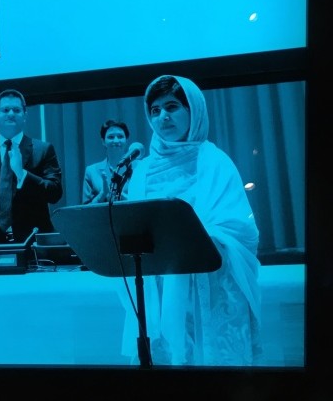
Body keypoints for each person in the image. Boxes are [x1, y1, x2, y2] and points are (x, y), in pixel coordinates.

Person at [123, 74, 262, 366]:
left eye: (172, 107)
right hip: (158, 284)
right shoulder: (143, 169)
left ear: (193, 110)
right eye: (155, 110)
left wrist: (193, 239)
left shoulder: (215, 161)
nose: (163, 116)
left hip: (207, 285)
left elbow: (241, 230)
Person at [0, 89, 63, 244]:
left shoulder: (43, 149)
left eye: (16, 110)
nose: (11, 114)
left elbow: (55, 193)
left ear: (25, 115)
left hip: (33, 242)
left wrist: (22, 174)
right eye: (5, 110)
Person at [82, 119, 134, 204]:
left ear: (126, 140)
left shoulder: (140, 167)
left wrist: (121, 195)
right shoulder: (91, 171)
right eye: (111, 137)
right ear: (103, 141)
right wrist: (102, 194)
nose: (116, 141)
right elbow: (85, 209)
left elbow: (146, 200)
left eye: (120, 136)